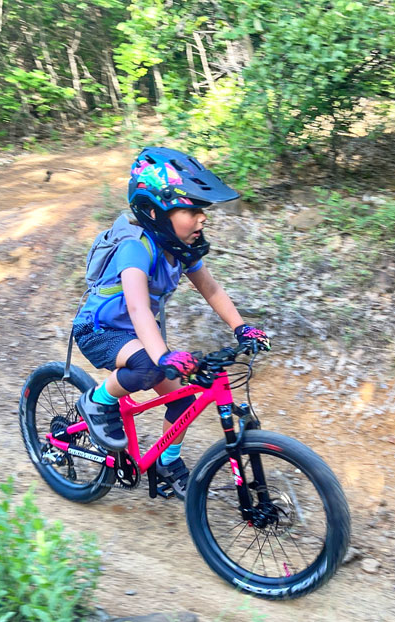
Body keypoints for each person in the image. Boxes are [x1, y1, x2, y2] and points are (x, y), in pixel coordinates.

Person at [72, 147, 270, 498]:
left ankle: (166, 460)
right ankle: (97, 401)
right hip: (99, 331)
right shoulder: (135, 247)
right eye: (191, 210)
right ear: (154, 212)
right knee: (150, 366)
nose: (202, 219)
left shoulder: (179, 249)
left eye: (202, 210)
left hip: (136, 335)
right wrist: (163, 356)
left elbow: (211, 289)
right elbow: (137, 308)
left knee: (183, 397)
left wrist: (242, 327)